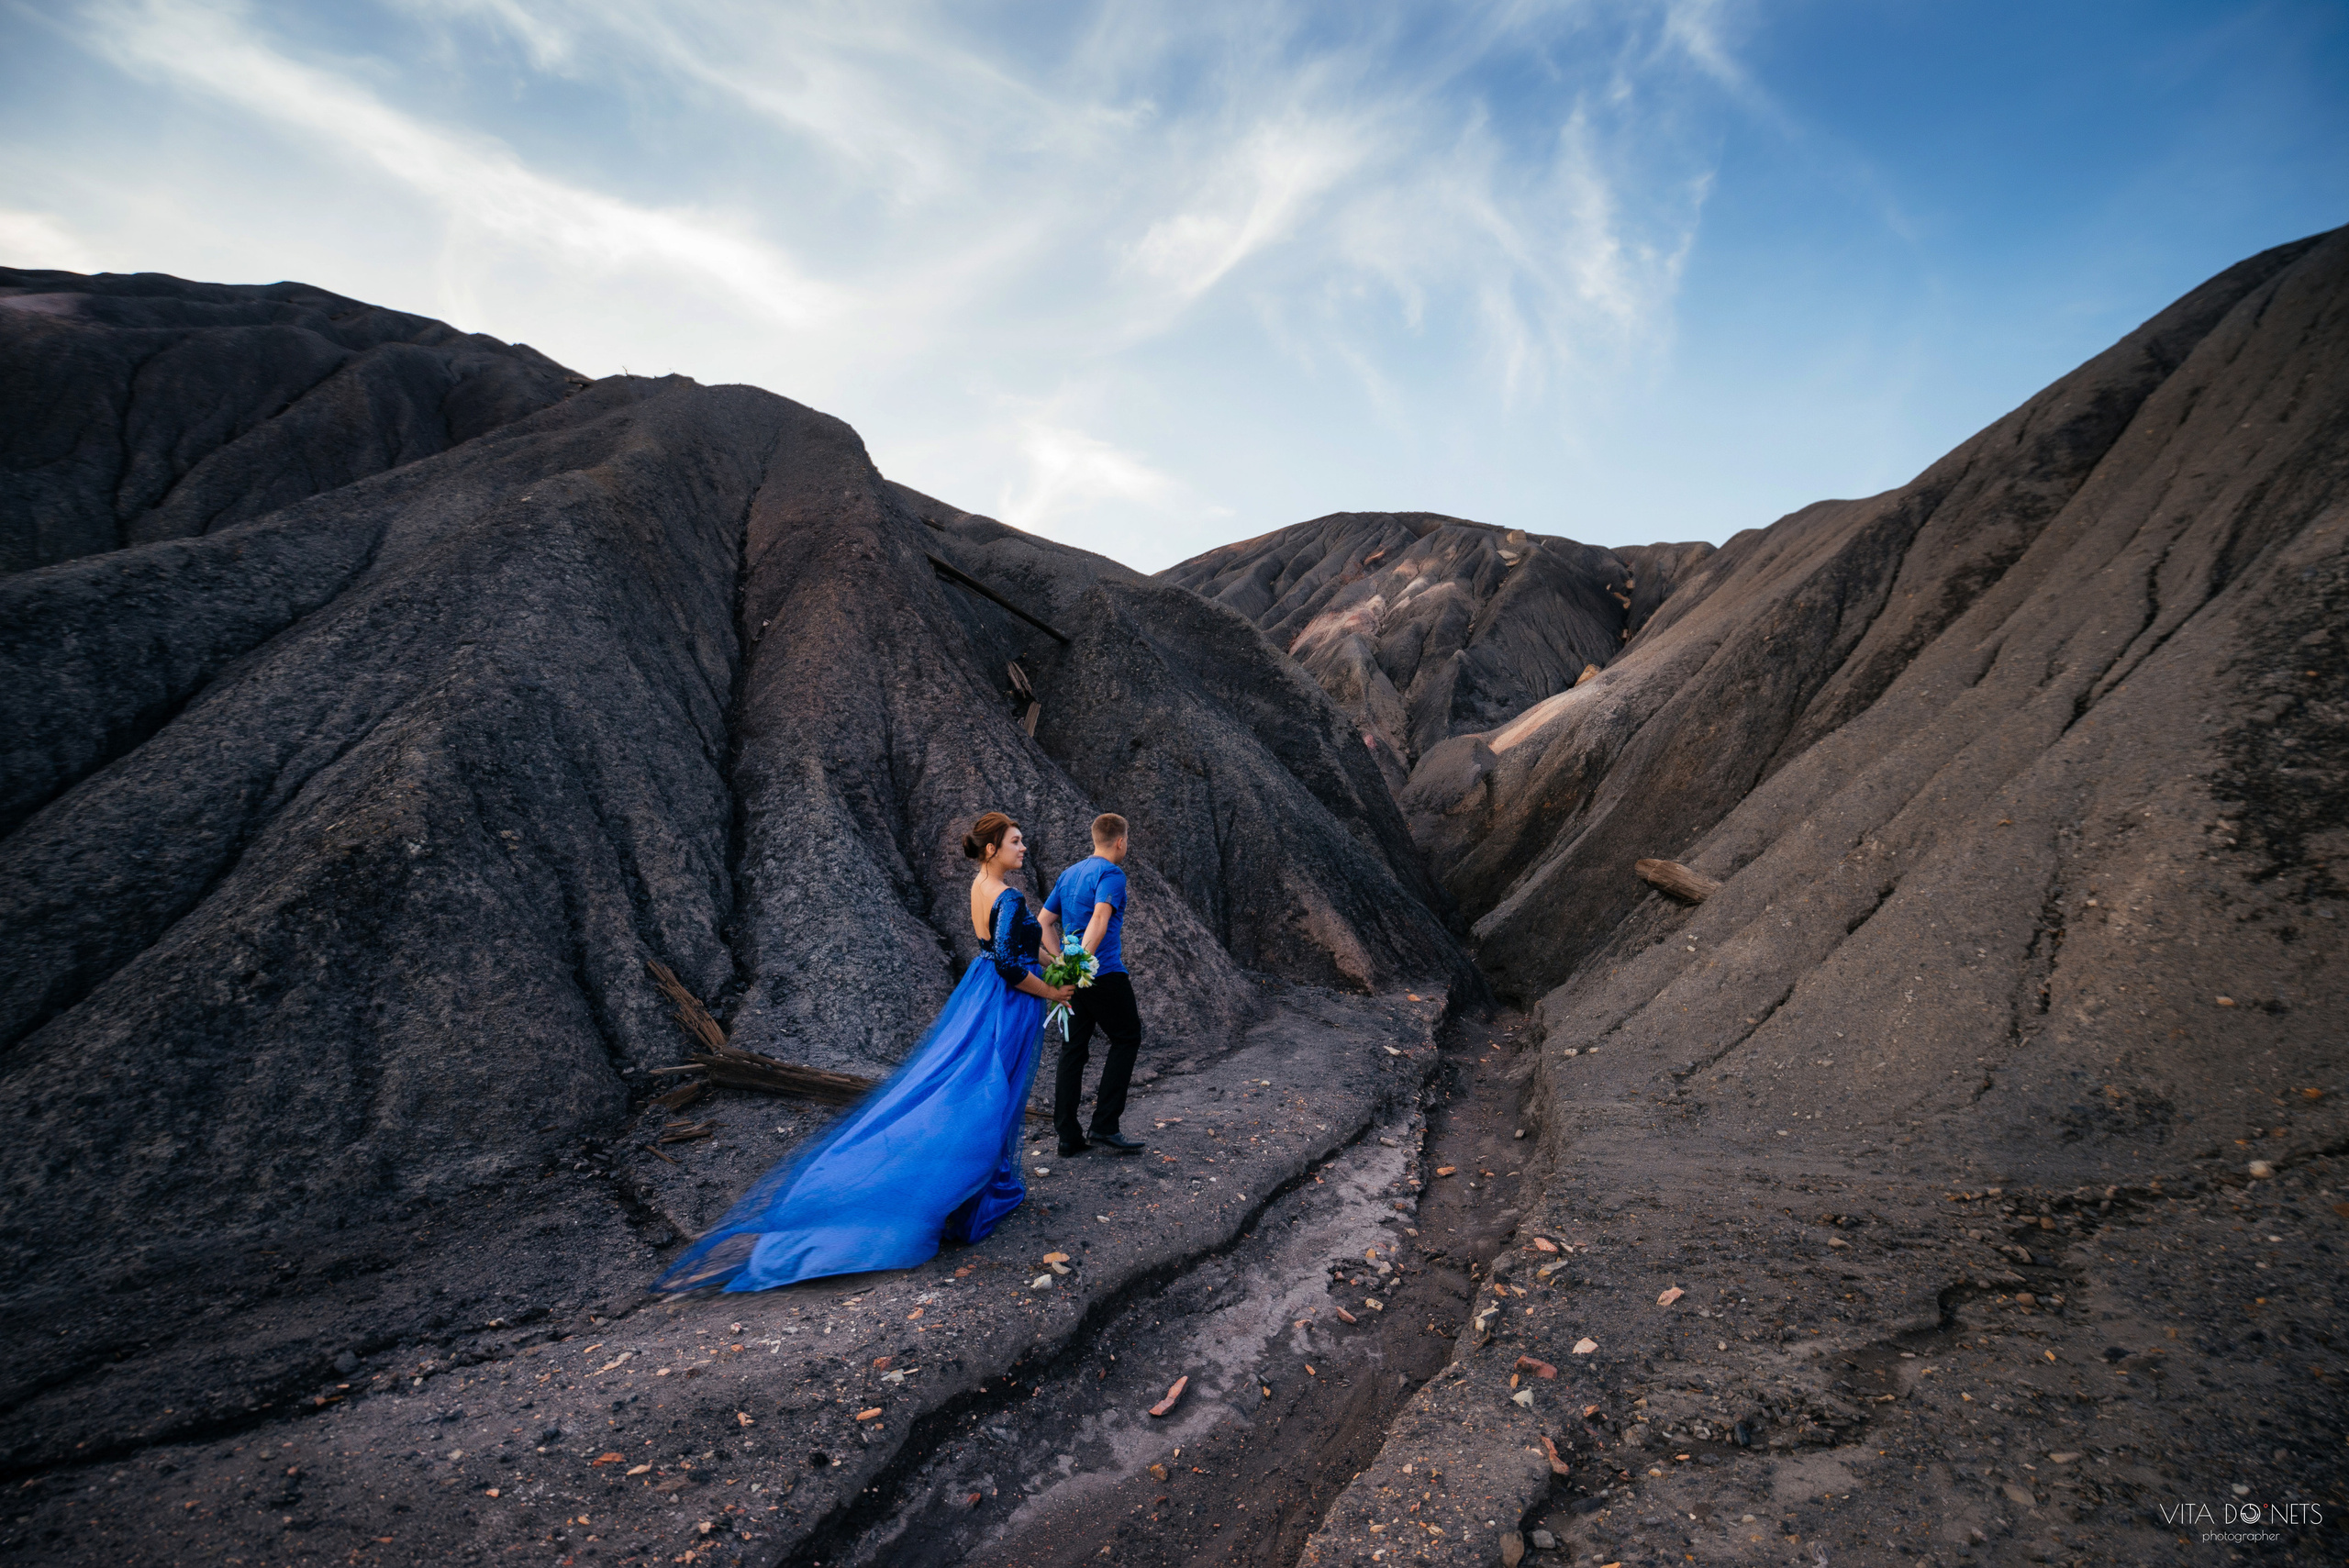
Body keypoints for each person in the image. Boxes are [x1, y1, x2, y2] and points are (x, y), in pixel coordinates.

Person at [651, 812, 1074, 1293]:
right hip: (1007, 1003)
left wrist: (1061, 962)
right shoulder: (1009, 894)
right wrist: (1055, 992)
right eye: (1016, 842)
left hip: (981, 994)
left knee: (967, 1087)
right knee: (986, 1096)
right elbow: (1008, 966)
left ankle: (970, 1189)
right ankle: (965, 1197)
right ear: (993, 848)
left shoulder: (981, 886)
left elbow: (1018, 945)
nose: (1024, 848)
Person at [1040, 813, 1146, 1159]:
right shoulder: (1112, 873)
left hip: (1075, 976)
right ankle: (1104, 1126)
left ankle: (1068, 1137)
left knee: (1074, 1051)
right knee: (1127, 1038)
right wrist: (1083, 961)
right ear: (1120, 841)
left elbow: (1044, 922)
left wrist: (1063, 963)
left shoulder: (1070, 874)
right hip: (1105, 973)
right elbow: (1101, 917)